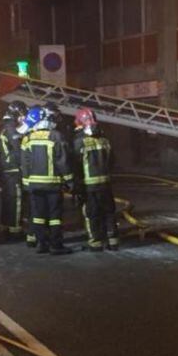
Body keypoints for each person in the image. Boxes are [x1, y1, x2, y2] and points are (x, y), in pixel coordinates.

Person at [20, 106, 73, 255]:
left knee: (38, 215)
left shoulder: (27, 139)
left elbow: (25, 164)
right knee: (55, 216)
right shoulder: (56, 136)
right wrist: (70, 181)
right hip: (53, 184)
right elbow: (62, 162)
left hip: (34, 185)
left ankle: (41, 244)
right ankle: (56, 245)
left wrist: (26, 184)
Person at [71, 108, 120, 252]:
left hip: (89, 186)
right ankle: (113, 242)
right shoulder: (105, 140)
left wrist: (75, 186)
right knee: (109, 212)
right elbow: (112, 162)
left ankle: (96, 243)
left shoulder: (79, 142)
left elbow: (76, 165)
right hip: (105, 184)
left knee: (92, 214)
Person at [0, 100, 29, 242]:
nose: (23, 118)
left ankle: (6, 226)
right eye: (22, 115)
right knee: (16, 199)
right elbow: (18, 149)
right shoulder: (10, 128)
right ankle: (15, 229)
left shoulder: (5, 127)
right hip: (13, 169)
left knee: (8, 199)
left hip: (6, 169)